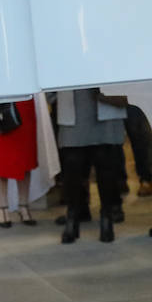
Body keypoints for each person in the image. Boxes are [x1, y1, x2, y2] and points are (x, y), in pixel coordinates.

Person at [53, 87, 127, 243]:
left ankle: (106, 218)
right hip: (72, 106)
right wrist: (51, 96)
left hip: (105, 105)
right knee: (72, 168)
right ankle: (72, 217)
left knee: (106, 168)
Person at [0, 99, 38, 227]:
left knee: (25, 156)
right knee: (1, 159)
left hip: (23, 100)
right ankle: (3, 208)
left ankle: (24, 205)